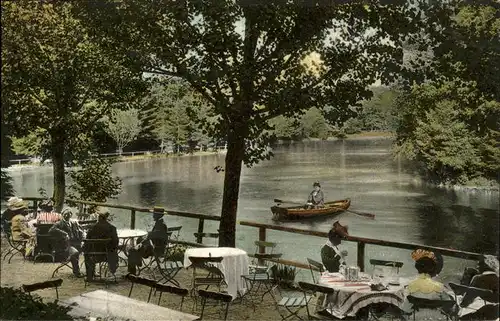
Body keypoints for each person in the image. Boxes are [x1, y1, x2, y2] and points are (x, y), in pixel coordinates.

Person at [127, 207, 168, 275]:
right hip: (159, 248)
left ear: (159, 215)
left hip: (155, 250)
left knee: (132, 251)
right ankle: (138, 260)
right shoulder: (161, 223)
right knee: (138, 243)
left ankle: (132, 273)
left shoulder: (160, 225)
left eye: (154, 214)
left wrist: (145, 239)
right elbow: (154, 236)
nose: (153, 216)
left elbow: (153, 236)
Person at [83, 207, 119, 282]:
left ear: (99, 218)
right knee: (113, 250)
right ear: (106, 218)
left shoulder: (92, 228)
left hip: (94, 256)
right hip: (107, 256)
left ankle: (90, 276)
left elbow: (87, 242)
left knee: (86, 253)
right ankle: (112, 270)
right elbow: (116, 243)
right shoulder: (112, 228)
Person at [48, 208, 84, 277]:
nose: (67, 216)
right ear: (62, 215)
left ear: (71, 215)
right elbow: (51, 230)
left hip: (76, 244)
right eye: (65, 214)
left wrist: (82, 238)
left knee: (90, 249)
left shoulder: (74, 222)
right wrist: (64, 233)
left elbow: (81, 231)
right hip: (65, 246)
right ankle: (77, 271)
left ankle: (91, 273)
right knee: (75, 252)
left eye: (69, 214)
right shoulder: (59, 223)